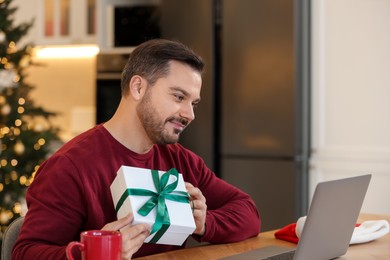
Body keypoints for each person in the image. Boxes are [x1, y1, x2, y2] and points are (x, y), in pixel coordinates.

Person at [12, 39, 260, 259]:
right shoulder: (70, 166)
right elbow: (25, 253)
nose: (190, 114)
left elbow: (248, 214)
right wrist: (92, 252)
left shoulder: (183, 162)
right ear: (138, 88)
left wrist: (204, 223)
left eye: (193, 103)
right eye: (178, 97)